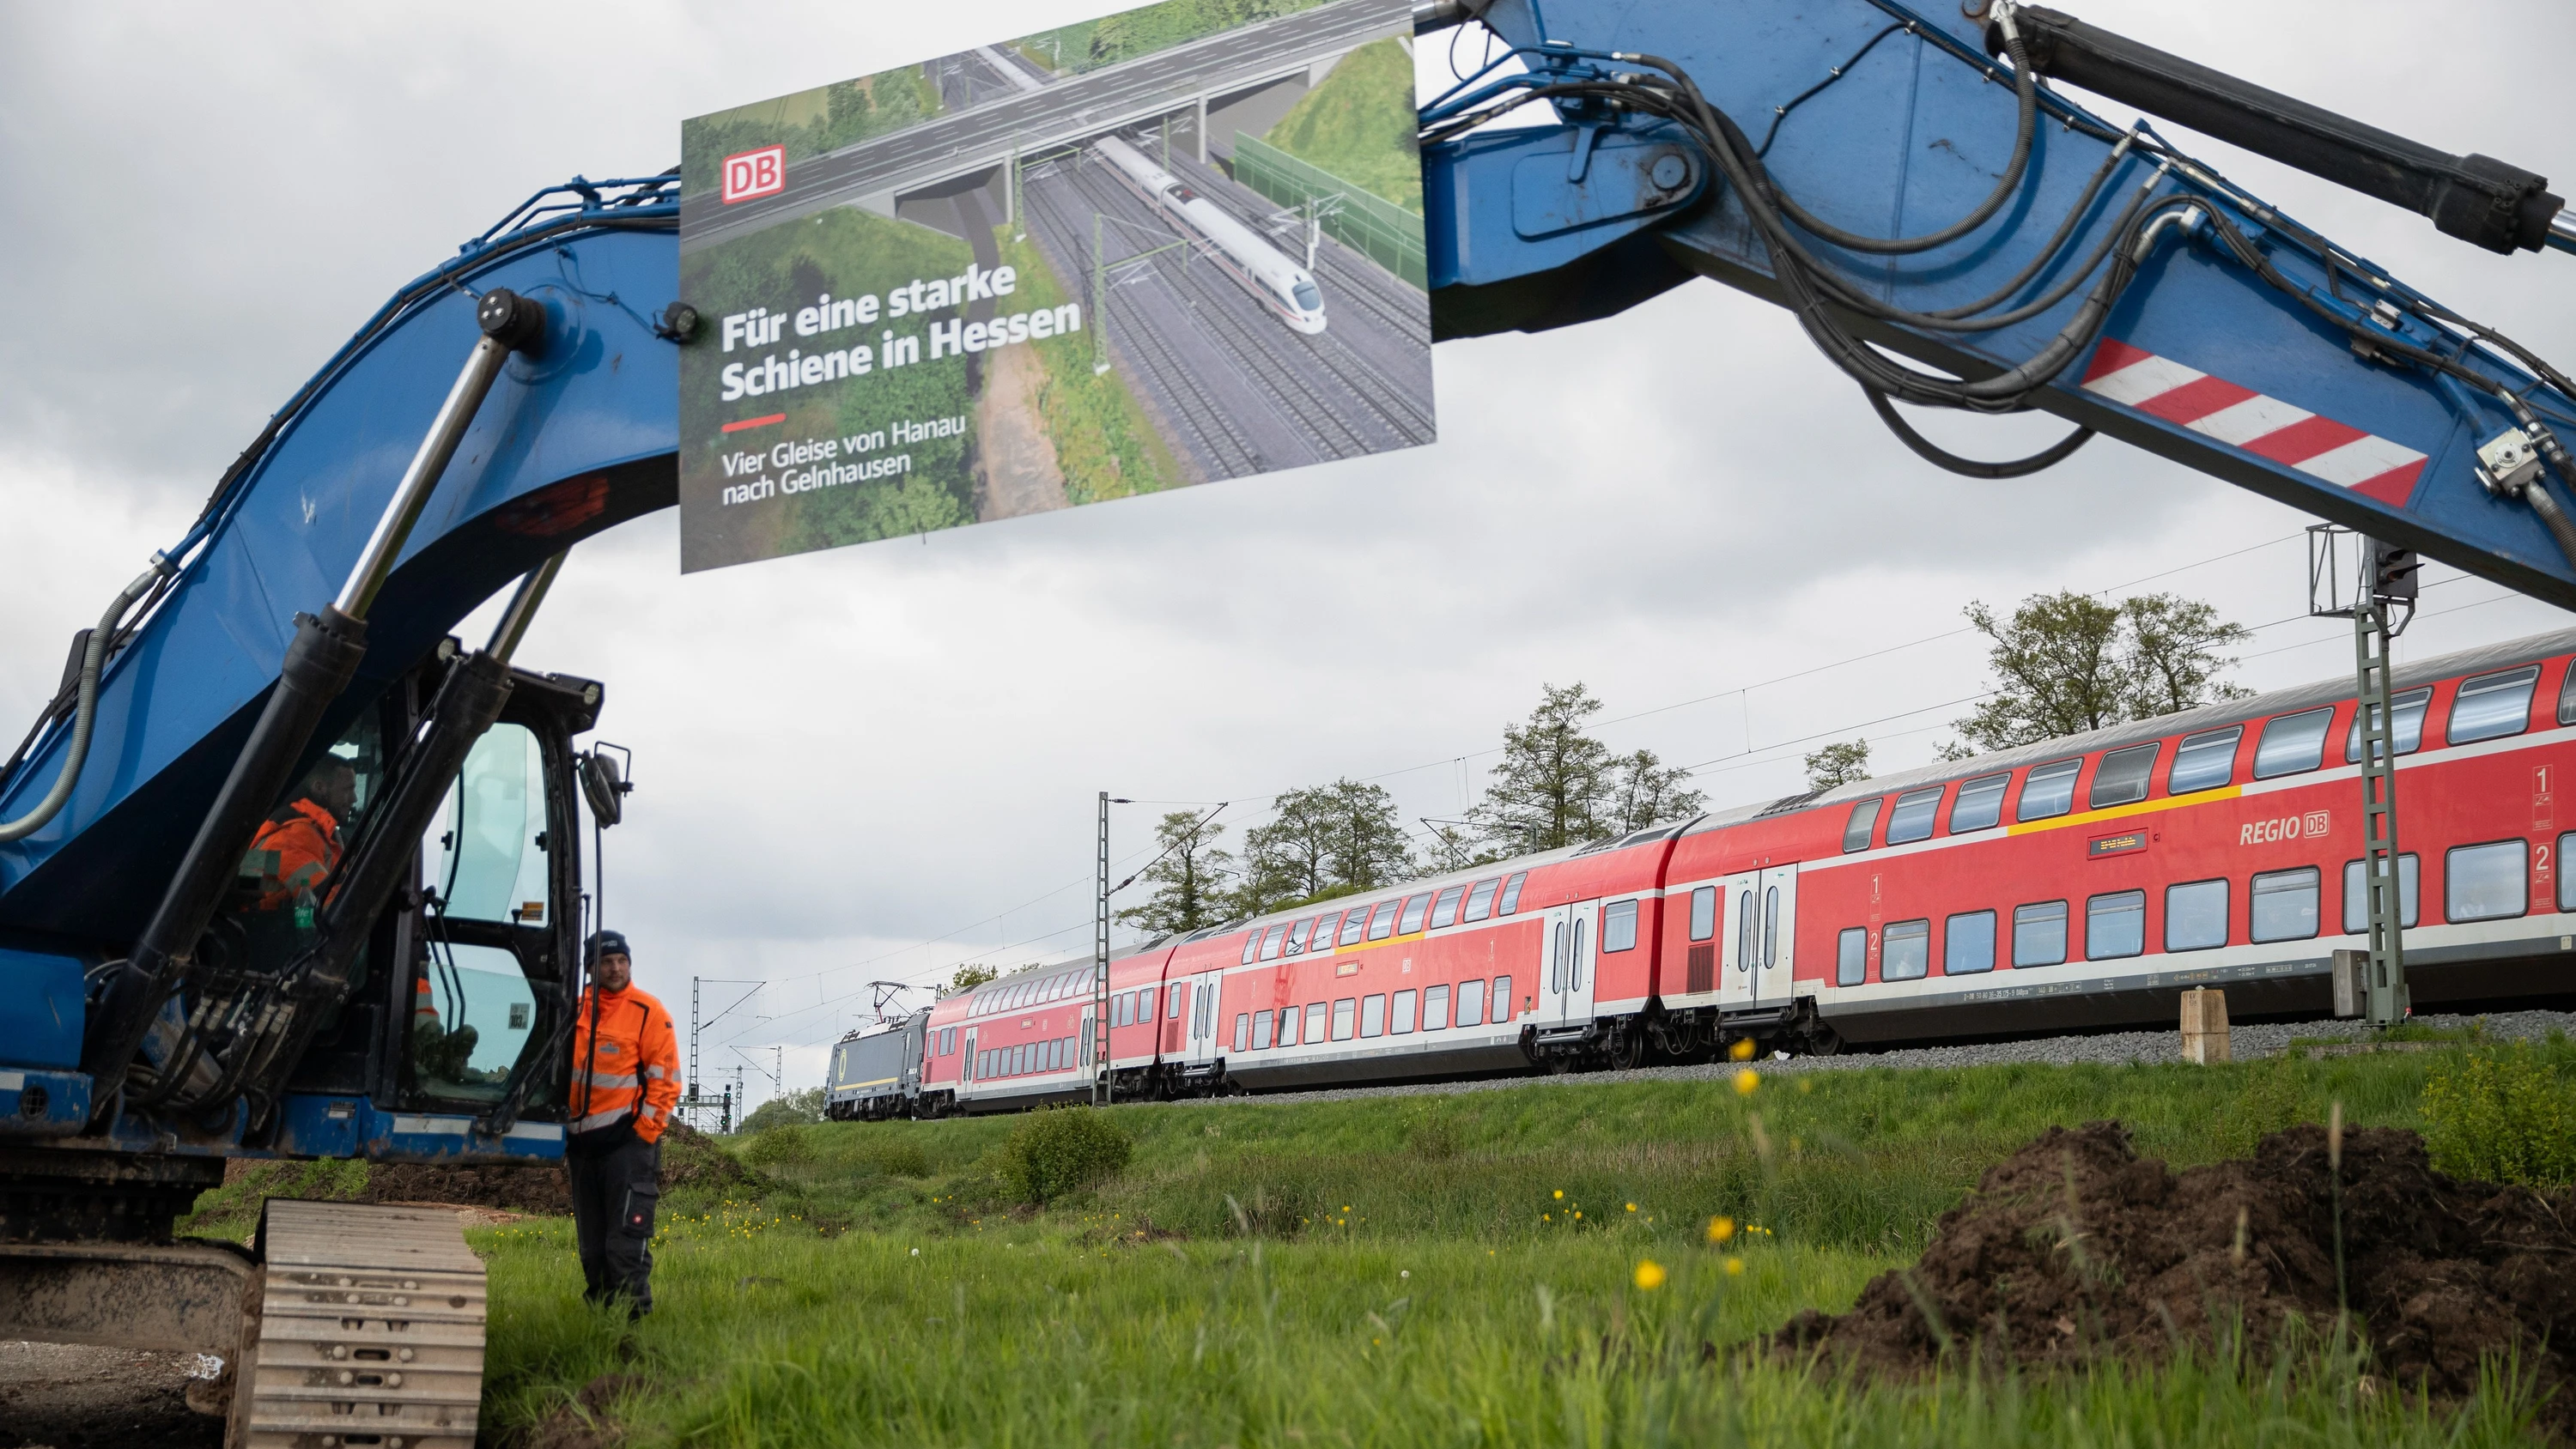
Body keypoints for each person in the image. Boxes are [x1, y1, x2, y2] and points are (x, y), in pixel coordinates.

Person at [566, 929, 681, 1318]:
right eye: (606, 962)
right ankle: (600, 1322)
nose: (616, 968)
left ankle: (635, 1326)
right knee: (593, 1250)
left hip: (627, 1151)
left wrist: (643, 1137)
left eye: (622, 961)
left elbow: (665, 1083)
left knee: (626, 1245)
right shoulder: (574, 1008)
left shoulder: (649, 1013)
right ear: (590, 968)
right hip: (582, 1150)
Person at [246, 755, 358, 918]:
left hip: (282, 930)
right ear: (319, 787)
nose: (354, 798)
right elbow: (330, 909)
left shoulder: (318, 833)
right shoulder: (293, 835)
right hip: (269, 934)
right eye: (348, 789)